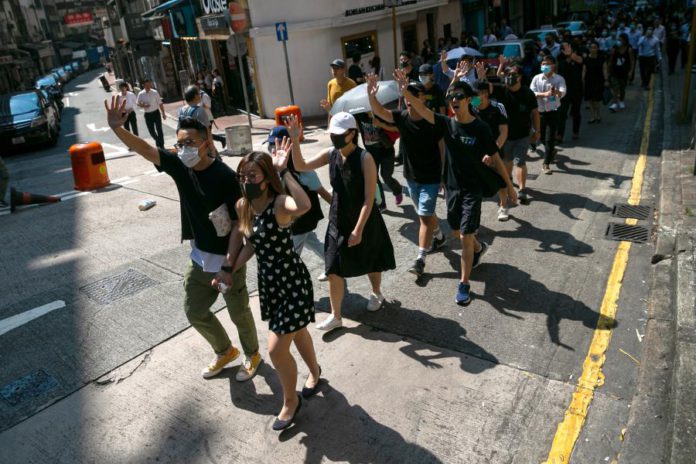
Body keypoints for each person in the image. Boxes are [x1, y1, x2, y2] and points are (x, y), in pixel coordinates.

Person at [103, 98, 262, 381]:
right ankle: (225, 351)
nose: (184, 149)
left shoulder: (225, 176)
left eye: (190, 143)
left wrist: (229, 266)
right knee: (194, 311)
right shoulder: (180, 167)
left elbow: (240, 225)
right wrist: (118, 128)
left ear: (206, 143)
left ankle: (253, 354)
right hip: (199, 258)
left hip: (229, 260)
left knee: (239, 313)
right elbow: (146, 150)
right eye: (180, 144)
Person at [395, 69, 517, 305]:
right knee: (456, 232)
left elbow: (496, 157)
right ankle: (479, 249)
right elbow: (423, 110)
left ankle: (464, 284)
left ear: (469, 100)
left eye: (459, 96)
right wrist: (405, 92)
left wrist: (510, 187)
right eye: (451, 97)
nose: (454, 100)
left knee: (465, 237)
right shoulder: (446, 124)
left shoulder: (480, 128)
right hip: (452, 188)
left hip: (472, 189)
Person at [230, 149, 321, 431]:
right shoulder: (243, 206)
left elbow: (304, 205)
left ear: (267, 178)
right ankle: (315, 372)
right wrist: (229, 270)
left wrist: (284, 171)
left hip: (292, 281)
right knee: (299, 330)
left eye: (252, 175)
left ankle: (291, 401)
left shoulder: (280, 203)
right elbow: (251, 245)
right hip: (270, 283)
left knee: (276, 349)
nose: (247, 180)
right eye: (243, 176)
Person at [288, 112, 395, 332]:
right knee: (332, 267)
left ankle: (376, 292)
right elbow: (300, 165)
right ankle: (336, 316)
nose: (334, 137)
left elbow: (369, 199)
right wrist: (295, 139)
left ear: (352, 133)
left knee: (371, 260)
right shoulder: (331, 154)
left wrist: (358, 229)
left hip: (364, 219)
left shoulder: (365, 158)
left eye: (339, 134)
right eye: (333, 133)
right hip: (338, 218)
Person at [367, 74, 446, 277]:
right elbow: (380, 112)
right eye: (407, 94)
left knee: (424, 217)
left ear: (423, 98)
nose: (409, 98)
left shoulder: (432, 119)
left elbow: (442, 148)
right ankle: (439, 236)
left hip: (431, 177)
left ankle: (420, 259)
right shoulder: (402, 117)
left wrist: (443, 175)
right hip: (411, 178)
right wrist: (371, 95)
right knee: (426, 212)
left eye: (414, 94)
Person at [493, 64, 540, 203]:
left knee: (520, 162)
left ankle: (522, 190)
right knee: (507, 161)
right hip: (504, 136)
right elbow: (483, 91)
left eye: (513, 74)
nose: (510, 77)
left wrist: (537, 131)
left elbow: (535, 113)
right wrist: (482, 75)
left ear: (520, 77)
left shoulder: (528, 93)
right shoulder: (501, 91)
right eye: (507, 74)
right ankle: (509, 181)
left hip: (523, 135)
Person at [471, 79, 511, 221]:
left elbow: (503, 133)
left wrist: (492, 152)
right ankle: (474, 215)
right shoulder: (471, 107)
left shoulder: (498, 107)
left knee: (500, 181)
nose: (474, 98)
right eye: (472, 95)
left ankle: (504, 206)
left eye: (476, 94)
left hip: (495, 151)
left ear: (485, 93)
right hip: (476, 152)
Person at [353, 111, 404, 210]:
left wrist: (381, 124)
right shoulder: (359, 114)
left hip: (386, 150)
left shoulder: (380, 112)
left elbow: (397, 128)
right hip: (371, 152)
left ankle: (397, 190)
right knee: (374, 178)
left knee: (386, 176)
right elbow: (348, 124)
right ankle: (381, 204)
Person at [530, 55, 567, 174]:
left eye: (547, 64)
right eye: (543, 64)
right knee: (540, 137)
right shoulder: (536, 78)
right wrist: (544, 94)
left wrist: (556, 92)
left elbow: (563, 92)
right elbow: (531, 93)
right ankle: (552, 151)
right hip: (539, 113)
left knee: (550, 138)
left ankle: (546, 163)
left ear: (553, 66)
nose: (545, 66)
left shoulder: (559, 79)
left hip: (553, 112)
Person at [556, 41, 584, 142]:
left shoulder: (577, 57)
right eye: (564, 48)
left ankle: (575, 132)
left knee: (576, 112)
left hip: (576, 90)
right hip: (564, 90)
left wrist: (571, 54)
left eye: (568, 47)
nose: (566, 50)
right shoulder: (560, 60)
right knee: (562, 113)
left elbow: (580, 61)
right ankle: (559, 135)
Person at [136, 79, 166, 149]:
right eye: (146, 85)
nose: (148, 86)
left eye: (149, 84)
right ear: (143, 85)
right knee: (151, 131)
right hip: (148, 114)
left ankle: (161, 145)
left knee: (159, 129)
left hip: (156, 113)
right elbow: (137, 103)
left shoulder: (155, 92)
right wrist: (143, 105)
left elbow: (160, 103)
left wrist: (163, 113)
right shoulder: (141, 94)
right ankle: (158, 141)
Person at [583, 41, 609, 123]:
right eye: (591, 48)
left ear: (597, 49)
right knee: (590, 99)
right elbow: (584, 71)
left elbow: (604, 69)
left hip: (598, 81)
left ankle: (598, 114)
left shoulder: (602, 59)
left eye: (595, 48)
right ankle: (593, 116)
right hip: (589, 81)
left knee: (596, 99)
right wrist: (582, 80)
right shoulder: (586, 59)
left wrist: (606, 80)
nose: (593, 49)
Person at [608, 33, 634, 110]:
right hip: (615, 71)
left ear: (625, 40)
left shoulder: (629, 49)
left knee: (622, 88)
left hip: (624, 72)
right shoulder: (615, 48)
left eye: (621, 40)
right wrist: (608, 70)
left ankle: (621, 100)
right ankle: (614, 103)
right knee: (615, 87)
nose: (619, 41)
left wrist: (631, 71)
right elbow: (610, 60)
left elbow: (632, 61)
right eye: (618, 39)